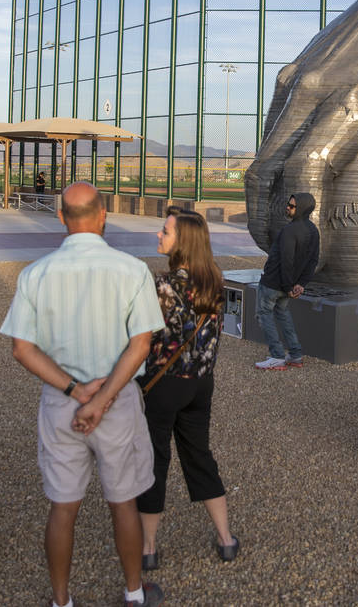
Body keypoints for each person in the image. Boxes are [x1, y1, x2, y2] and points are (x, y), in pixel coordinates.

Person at [2, 181, 166, 607]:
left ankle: (61, 600)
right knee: (123, 501)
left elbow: (22, 348)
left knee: (63, 506)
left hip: (62, 405)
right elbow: (141, 345)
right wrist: (103, 397)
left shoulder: (35, 274)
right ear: (103, 215)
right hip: (118, 401)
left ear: (61, 218)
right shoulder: (132, 270)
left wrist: (77, 391)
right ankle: (133, 592)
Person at [137, 208, 238, 573]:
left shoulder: (163, 285)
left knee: (154, 460)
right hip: (201, 383)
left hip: (165, 385)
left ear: (183, 242)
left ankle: (148, 548)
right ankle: (226, 539)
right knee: (199, 456)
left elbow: (146, 336)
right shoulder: (214, 281)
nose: (158, 235)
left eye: (165, 231)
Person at [254, 192, 320, 370]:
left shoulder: (289, 230)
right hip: (288, 284)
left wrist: (288, 286)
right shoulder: (313, 231)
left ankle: (276, 356)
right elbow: (313, 260)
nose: (288, 208)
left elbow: (286, 260)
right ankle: (295, 354)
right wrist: (300, 284)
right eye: (288, 205)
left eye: (292, 206)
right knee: (283, 314)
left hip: (274, 283)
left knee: (264, 314)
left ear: (302, 208)